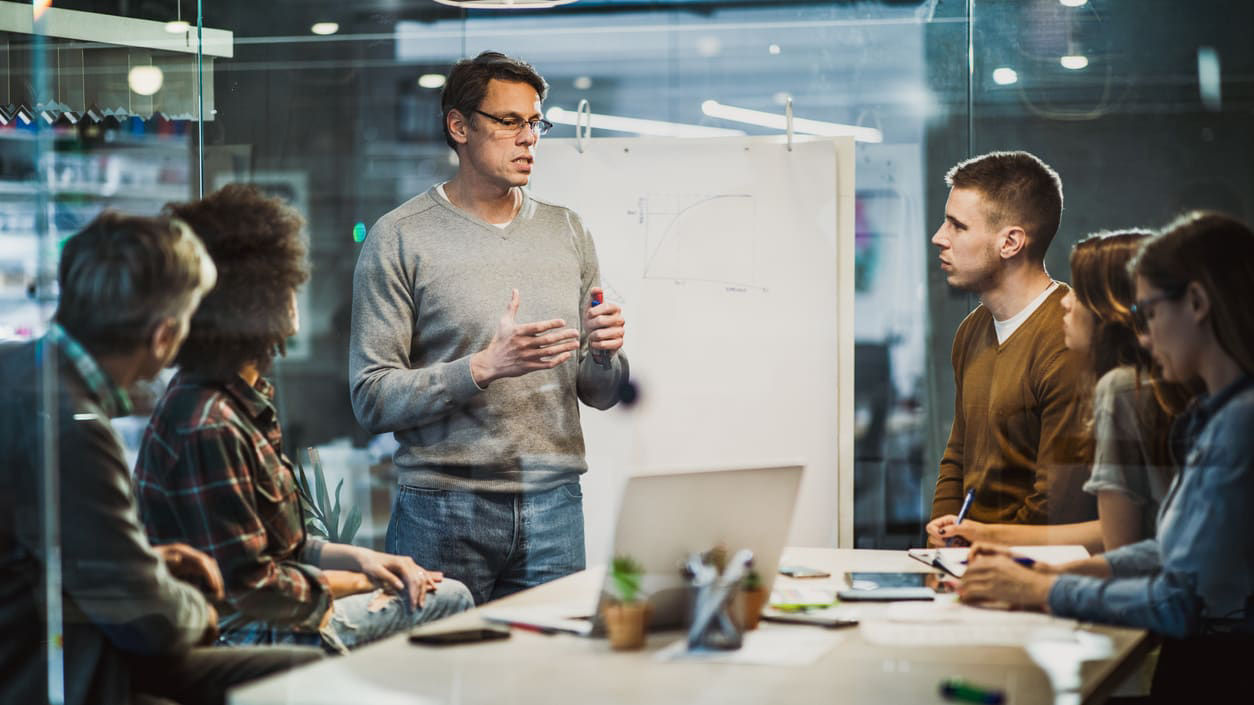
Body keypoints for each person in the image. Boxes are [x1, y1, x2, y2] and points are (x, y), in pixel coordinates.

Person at [135, 185, 473, 654]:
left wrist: (367, 560)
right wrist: (356, 584)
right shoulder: (209, 422)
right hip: (248, 634)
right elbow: (256, 589)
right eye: (287, 286)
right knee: (450, 600)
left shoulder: (242, 400)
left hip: (278, 613)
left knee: (427, 588)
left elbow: (284, 550)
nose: (297, 295)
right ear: (254, 302)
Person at [0, 212, 320, 705]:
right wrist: (200, 610)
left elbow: (56, 551)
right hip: (49, 667)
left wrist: (151, 562)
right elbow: (149, 622)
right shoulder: (76, 427)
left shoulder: (18, 368)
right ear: (164, 336)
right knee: (305, 675)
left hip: (48, 637)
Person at [349, 51, 628, 604]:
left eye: (536, 122)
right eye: (509, 122)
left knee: (548, 680)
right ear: (459, 126)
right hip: (442, 509)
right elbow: (371, 398)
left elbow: (603, 394)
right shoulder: (400, 237)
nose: (529, 139)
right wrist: (481, 368)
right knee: (442, 686)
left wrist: (603, 355)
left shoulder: (566, 229)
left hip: (554, 505)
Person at [959, 212, 1254, 700]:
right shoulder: (1218, 414)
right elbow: (1173, 551)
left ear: (1198, 303)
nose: (1143, 335)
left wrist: (1042, 591)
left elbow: (1178, 601)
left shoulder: (1240, 423)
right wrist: (1049, 574)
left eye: (1150, 314)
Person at [928, 231, 1191, 552]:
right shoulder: (1133, 387)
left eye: (1081, 292)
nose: (1066, 300)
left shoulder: (1122, 390)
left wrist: (996, 554)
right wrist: (979, 537)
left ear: (1113, 310)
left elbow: (1121, 545)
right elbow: (1118, 534)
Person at [927, 151, 1094, 544]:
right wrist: (942, 533)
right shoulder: (972, 330)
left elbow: (1056, 505)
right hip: (968, 559)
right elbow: (958, 455)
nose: (939, 237)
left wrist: (978, 545)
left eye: (957, 226)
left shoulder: (1069, 340)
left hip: (1029, 568)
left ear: (1011, 242)